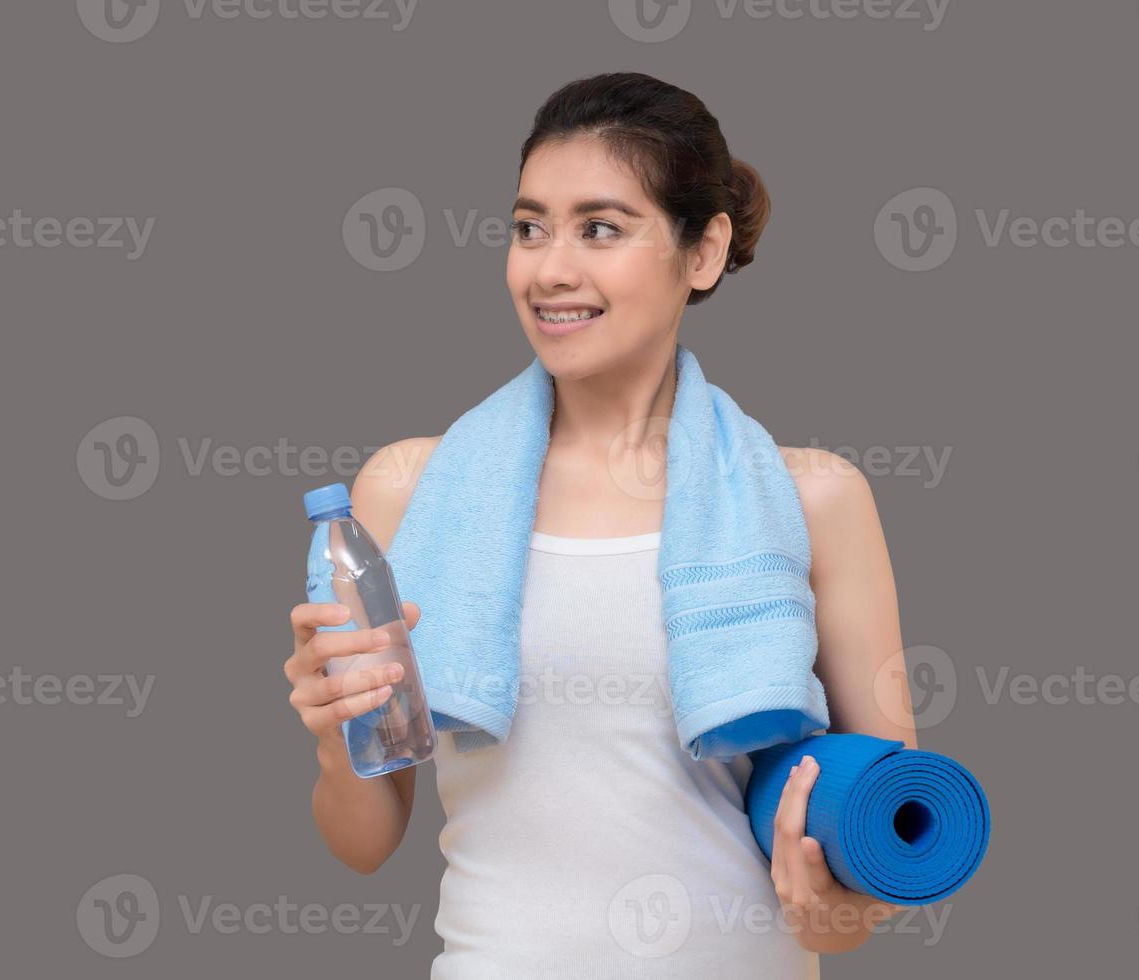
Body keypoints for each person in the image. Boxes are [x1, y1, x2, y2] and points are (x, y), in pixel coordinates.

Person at [284, 71, 917, 977]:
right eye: (529, 227)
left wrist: (831, 910)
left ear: (703, 253)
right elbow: (364, 842)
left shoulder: (815, 499)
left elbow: (879, 854)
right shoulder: (406, 491)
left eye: (602, 229)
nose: (550, 269)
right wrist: (332, 737)